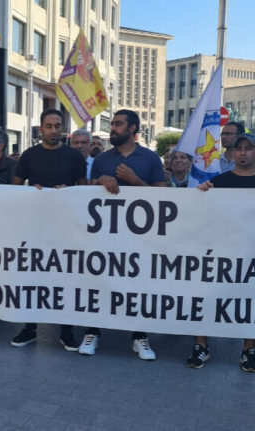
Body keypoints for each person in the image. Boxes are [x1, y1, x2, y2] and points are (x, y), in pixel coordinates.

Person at [87, 109, 166, 360]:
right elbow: (87, 191)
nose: (113, 128)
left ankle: (139, 336)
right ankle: (92, 330)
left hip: (139, 237)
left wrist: (134, 180)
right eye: (113, 124)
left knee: (138, 283)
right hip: (105, 234)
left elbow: (163, 197)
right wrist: (99, 180)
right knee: (98, 280)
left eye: (119, 124)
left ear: (133, 129)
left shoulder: (151, 159)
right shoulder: (102, 159)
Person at [11, 108, 87, 352]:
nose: (53, 130)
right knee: (32, 275)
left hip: (66, 227)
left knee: (65, 276)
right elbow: (15, 189)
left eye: (57, 126)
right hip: (35, 225)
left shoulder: (75, 157)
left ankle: (66, 330)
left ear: (62, 128)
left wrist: (69, 192)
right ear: (40, 128)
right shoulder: (28, 155)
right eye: (48, 126)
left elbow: (85, 192)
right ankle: (29, 327)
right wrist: (31, 190)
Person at [191, 132, 255, 372]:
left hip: (251, 252)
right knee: (207, 296)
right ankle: (201, 346)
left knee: (251, 300)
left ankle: (249, 349)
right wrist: (203, 193)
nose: (243, 152)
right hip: (222, 251)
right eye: (239, 148)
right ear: (233, 152)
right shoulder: (219, 181)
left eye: (249, 148)